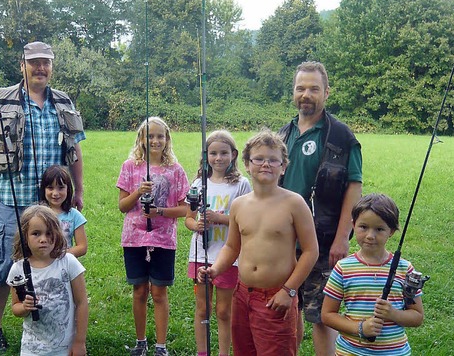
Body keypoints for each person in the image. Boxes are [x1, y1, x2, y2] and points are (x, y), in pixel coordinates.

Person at [0, 41, 85, 352]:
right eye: (33, 62)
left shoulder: (64, 102)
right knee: (5, 264)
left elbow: (74, 150)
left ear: (52, 66)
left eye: (45, 62)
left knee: (50, 259)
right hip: (10, 198)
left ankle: (48, 319)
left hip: (51, 203)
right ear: (22, 65)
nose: (40, 68)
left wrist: (79, 190)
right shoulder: (1, 99)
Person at [198, 129, 319, 356]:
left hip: (276, 297)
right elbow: (232, 247)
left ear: (284, 166)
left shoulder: (294, 203)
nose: (266, 164)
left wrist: (288, 291)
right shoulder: (239, 205)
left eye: (274, 160)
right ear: (246, 163)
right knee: (244, 350)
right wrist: (215, 269)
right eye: (259, 159)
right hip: (242, 295)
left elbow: (311, 251)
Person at [278, 61, 362, 355]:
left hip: (323, 240)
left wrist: (342, 237)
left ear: (326, 92)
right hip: (284, 241)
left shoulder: (341, 136)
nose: (306, 94)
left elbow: (354, 186)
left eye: (314, 88)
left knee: (321, 314)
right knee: (289, 307)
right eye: (300, 88)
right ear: (293, 92)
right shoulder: (283, 134)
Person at [116, 116, 190, 356]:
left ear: (167, 139)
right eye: (150, 136)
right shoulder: (130, 167)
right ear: (142, 139)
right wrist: (139, 191)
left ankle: (161, 346)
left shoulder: (176, 171)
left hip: (163, 239)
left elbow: (185, 208)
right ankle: (141, 342)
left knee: (159, 292)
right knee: (139, 290)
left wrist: (159, 211)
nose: (156, 140)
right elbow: (123, 206)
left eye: (160, 136)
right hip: (134, 238)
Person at [321, 193, 425, 355]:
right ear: (353, 225)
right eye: (363, 227)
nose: (370, 236)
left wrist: (393, 314)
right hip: (350, 352)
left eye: (379, 229)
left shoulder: (405, 269)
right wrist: (360, 328)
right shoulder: (343, 268)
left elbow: (417, 316)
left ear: (391, 231)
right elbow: (327, 315)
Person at [184, 130, 252, 356]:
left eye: (224, 153)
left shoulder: (241, 184)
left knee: (224, 310)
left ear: (233, 155)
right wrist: (197, 225)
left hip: (228, 258)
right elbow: (188, 218)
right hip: (200, 254)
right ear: (206, 156)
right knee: (202, 309)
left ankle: (224, 352)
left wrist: (219, 218)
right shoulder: (197, 183)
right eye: (213, 153)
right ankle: (202, 352)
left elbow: (247, 220)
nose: (218, 158)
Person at [7, 205, 88, 356]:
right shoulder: (18, 269)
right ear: (25, 236)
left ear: (57, 234)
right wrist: (24, 307)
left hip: (65, 348)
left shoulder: (68, 262)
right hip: (33, 349)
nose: (43, 239)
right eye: (36, 233)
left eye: (49, 233)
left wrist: (79, 341)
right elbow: (15, 308)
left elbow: (82, 302)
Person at [40, 165, 88, 257]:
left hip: (65, 264)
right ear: (43, 189)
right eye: (50, 188)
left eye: (61, 188)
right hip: (43, 263)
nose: (55, 193)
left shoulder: (74, 215)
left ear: (68, 189)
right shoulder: (38, 214)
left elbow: (82, 247)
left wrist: (61, 255)